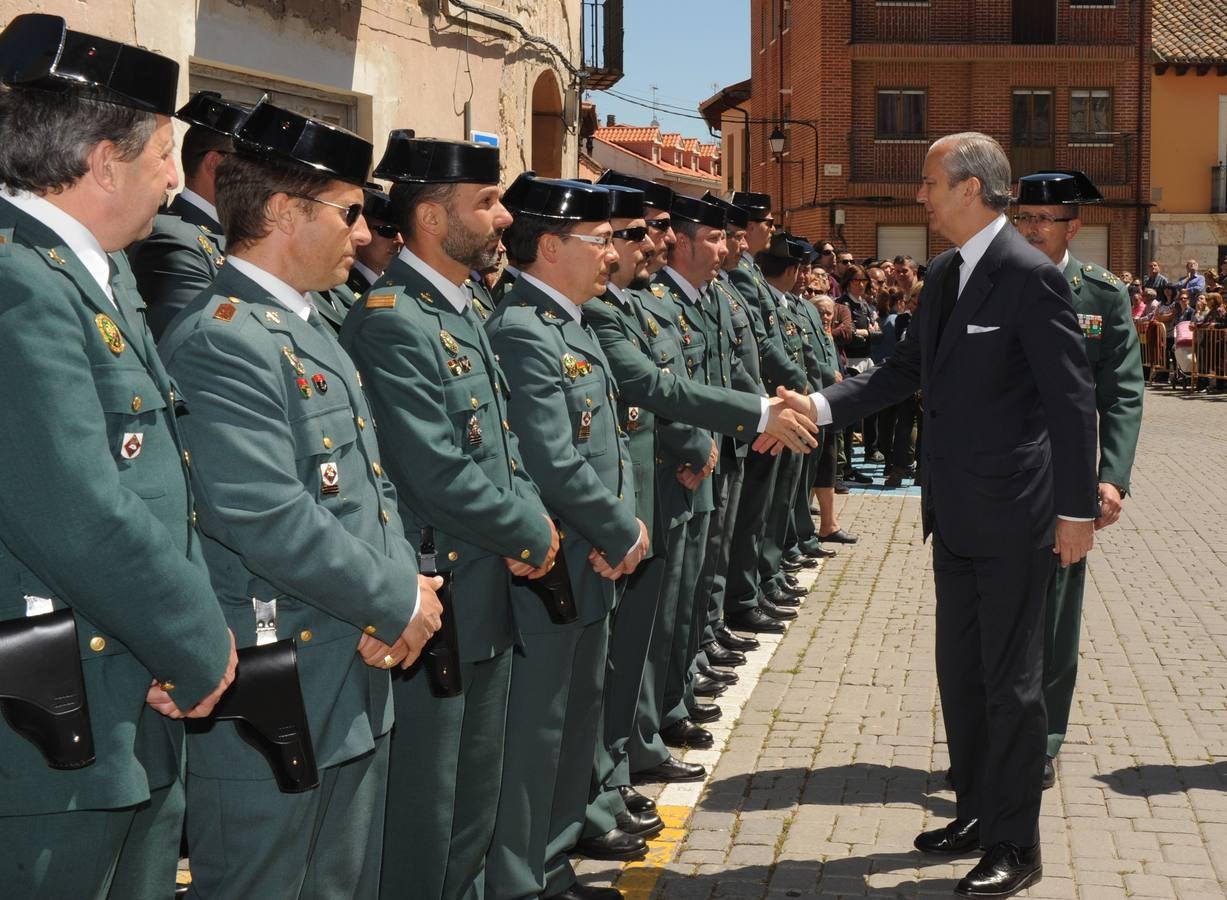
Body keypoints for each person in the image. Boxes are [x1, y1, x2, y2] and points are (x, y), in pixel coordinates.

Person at [800, 132, 1098, 898]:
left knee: (1013, 684)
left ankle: (1015, 843)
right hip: (954, 515)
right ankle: (973, 813)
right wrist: (818, 405)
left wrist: (1075, 511)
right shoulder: (941, 274)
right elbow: (903, 371)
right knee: (960, 677)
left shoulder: (1029, 277)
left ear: (970, 188)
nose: (920, 196)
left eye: (930, 182)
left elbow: (1071, 405)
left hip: (1016, 517)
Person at [158, 100, 443, 898]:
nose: (364, 232)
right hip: (278, 679)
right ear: (285, 210)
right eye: (351, 211)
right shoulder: (224, 338)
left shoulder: (308, 326)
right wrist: (394, 597)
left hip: (350, 665)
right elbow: (264, 514)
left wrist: (402, 600)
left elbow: (368, 487)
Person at [0, 15, 238, 899]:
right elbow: (78, 506)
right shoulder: (20, 284)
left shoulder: (86, 274)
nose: (178, 182)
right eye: (165, 156)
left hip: (124, 689)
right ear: (105, 161)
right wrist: (196, 643)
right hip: (58, 723)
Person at [339, 134, 560, 900]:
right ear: (431, 217)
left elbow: (502, 446)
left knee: (472, 801)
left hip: (484, 595)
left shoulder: (461, 308)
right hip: (442, 594)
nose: (502, 219)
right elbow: (435, 471)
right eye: (486, 203)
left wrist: (530, 511)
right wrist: (530, 530)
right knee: (425, 817)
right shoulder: (392, 319)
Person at [483, 176, 649, 900]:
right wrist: (619, 530)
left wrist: (625, 528)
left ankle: (551, 863)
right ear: (550, 247)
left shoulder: (569, 322)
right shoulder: (520, 328)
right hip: (558, 567)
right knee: (538, 733)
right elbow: (550, 457)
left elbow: (607, 444)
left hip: (595, 560)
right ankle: (525, 878)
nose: (611, 254)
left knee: (575, 720)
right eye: (599, 240)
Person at [1012, 170, 1144, 791]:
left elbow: (1122, 393)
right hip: (1000, 477)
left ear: (1074, 226)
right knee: (991, 614)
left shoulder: (1102, 295)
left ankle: (1041, 738)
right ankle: (991, 736)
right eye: (1026, 218)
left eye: (1046, 219)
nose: (1033, 229)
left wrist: (1112, 477)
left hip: (1065, 484)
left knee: (1055, 616)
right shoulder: (992, 278)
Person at [128, 90, 249, 339]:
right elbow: (204, 343)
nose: (268, 181)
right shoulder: (170, 238)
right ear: (215, 163)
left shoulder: (237, 236)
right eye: (254, 166)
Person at [344, 182, 402, 298]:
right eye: (388, 231)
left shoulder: (395, 283)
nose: (399, 240)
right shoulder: (343, 286)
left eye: (402, 233)